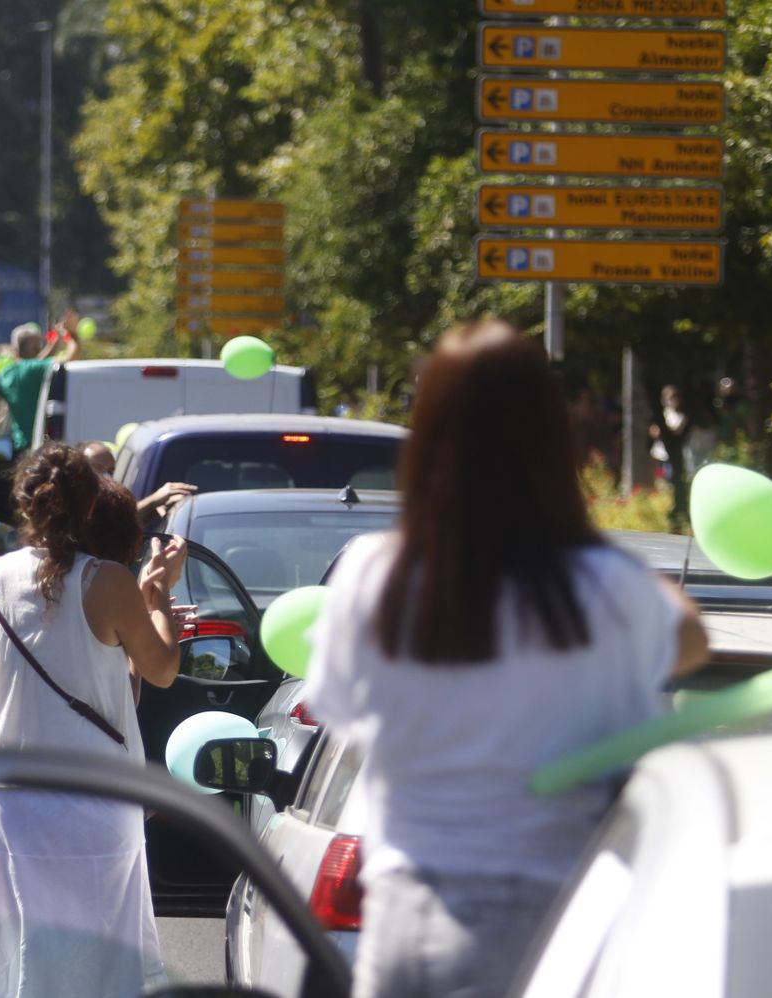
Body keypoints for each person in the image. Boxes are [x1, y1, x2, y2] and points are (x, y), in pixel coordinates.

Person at [302, 320, 708, 998]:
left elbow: (337, 710)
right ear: (551, 439)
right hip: (550, 928)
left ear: (427, 437)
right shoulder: (605, 587)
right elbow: (691, 642)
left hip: (403, 922)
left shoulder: (377, 575)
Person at [0, 444, 187, 998]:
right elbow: (159, 670)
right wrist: (158, 601)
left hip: (10, 802)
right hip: (92, 800)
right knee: (96, 966)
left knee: (16, 965)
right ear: (91, 507)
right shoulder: (106, 579)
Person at [0, 312, 82, 454]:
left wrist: (53, 343)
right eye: (37, 346)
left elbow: (37, 361)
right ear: (33, 349)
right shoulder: (33, 369)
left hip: (19, 446)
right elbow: (72, 357)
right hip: (37, 446)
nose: (40, 350)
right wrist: (71, 335)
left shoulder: (7, 372)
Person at [79, 439, 198, 525]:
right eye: (97, 470)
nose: (105, 477)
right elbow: (113, 524)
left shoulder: (113, 500)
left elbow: (127, 526)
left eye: (110, 471)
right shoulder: (75, 505)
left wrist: (156, 511)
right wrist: (154, 501)